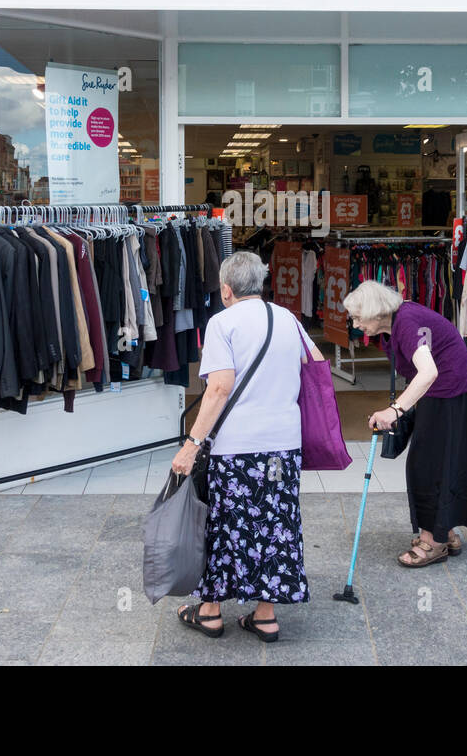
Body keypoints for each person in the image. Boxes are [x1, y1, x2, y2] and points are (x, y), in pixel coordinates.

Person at [171, 250, 323, 642]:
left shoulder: (223, 323)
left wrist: (191, 444)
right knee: (275, 523)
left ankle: (210, 612)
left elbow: (219, 387)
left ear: (226, 290)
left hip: (237, 446)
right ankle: (266, 616)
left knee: (224, 525)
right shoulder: (287, 318)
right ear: (261, 284)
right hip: (283, 445)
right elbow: (316, 362)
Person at [343, 279, 467, 567]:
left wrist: (395, 410)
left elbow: (428, 371)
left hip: (448, 390)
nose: (355, 324)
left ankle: (433, 541)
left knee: (428, 465)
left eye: (357, 316)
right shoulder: (395, 323)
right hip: (445, 391)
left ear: (374, 311)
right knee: (438, 462)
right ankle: (445, 531)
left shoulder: (405, 323)